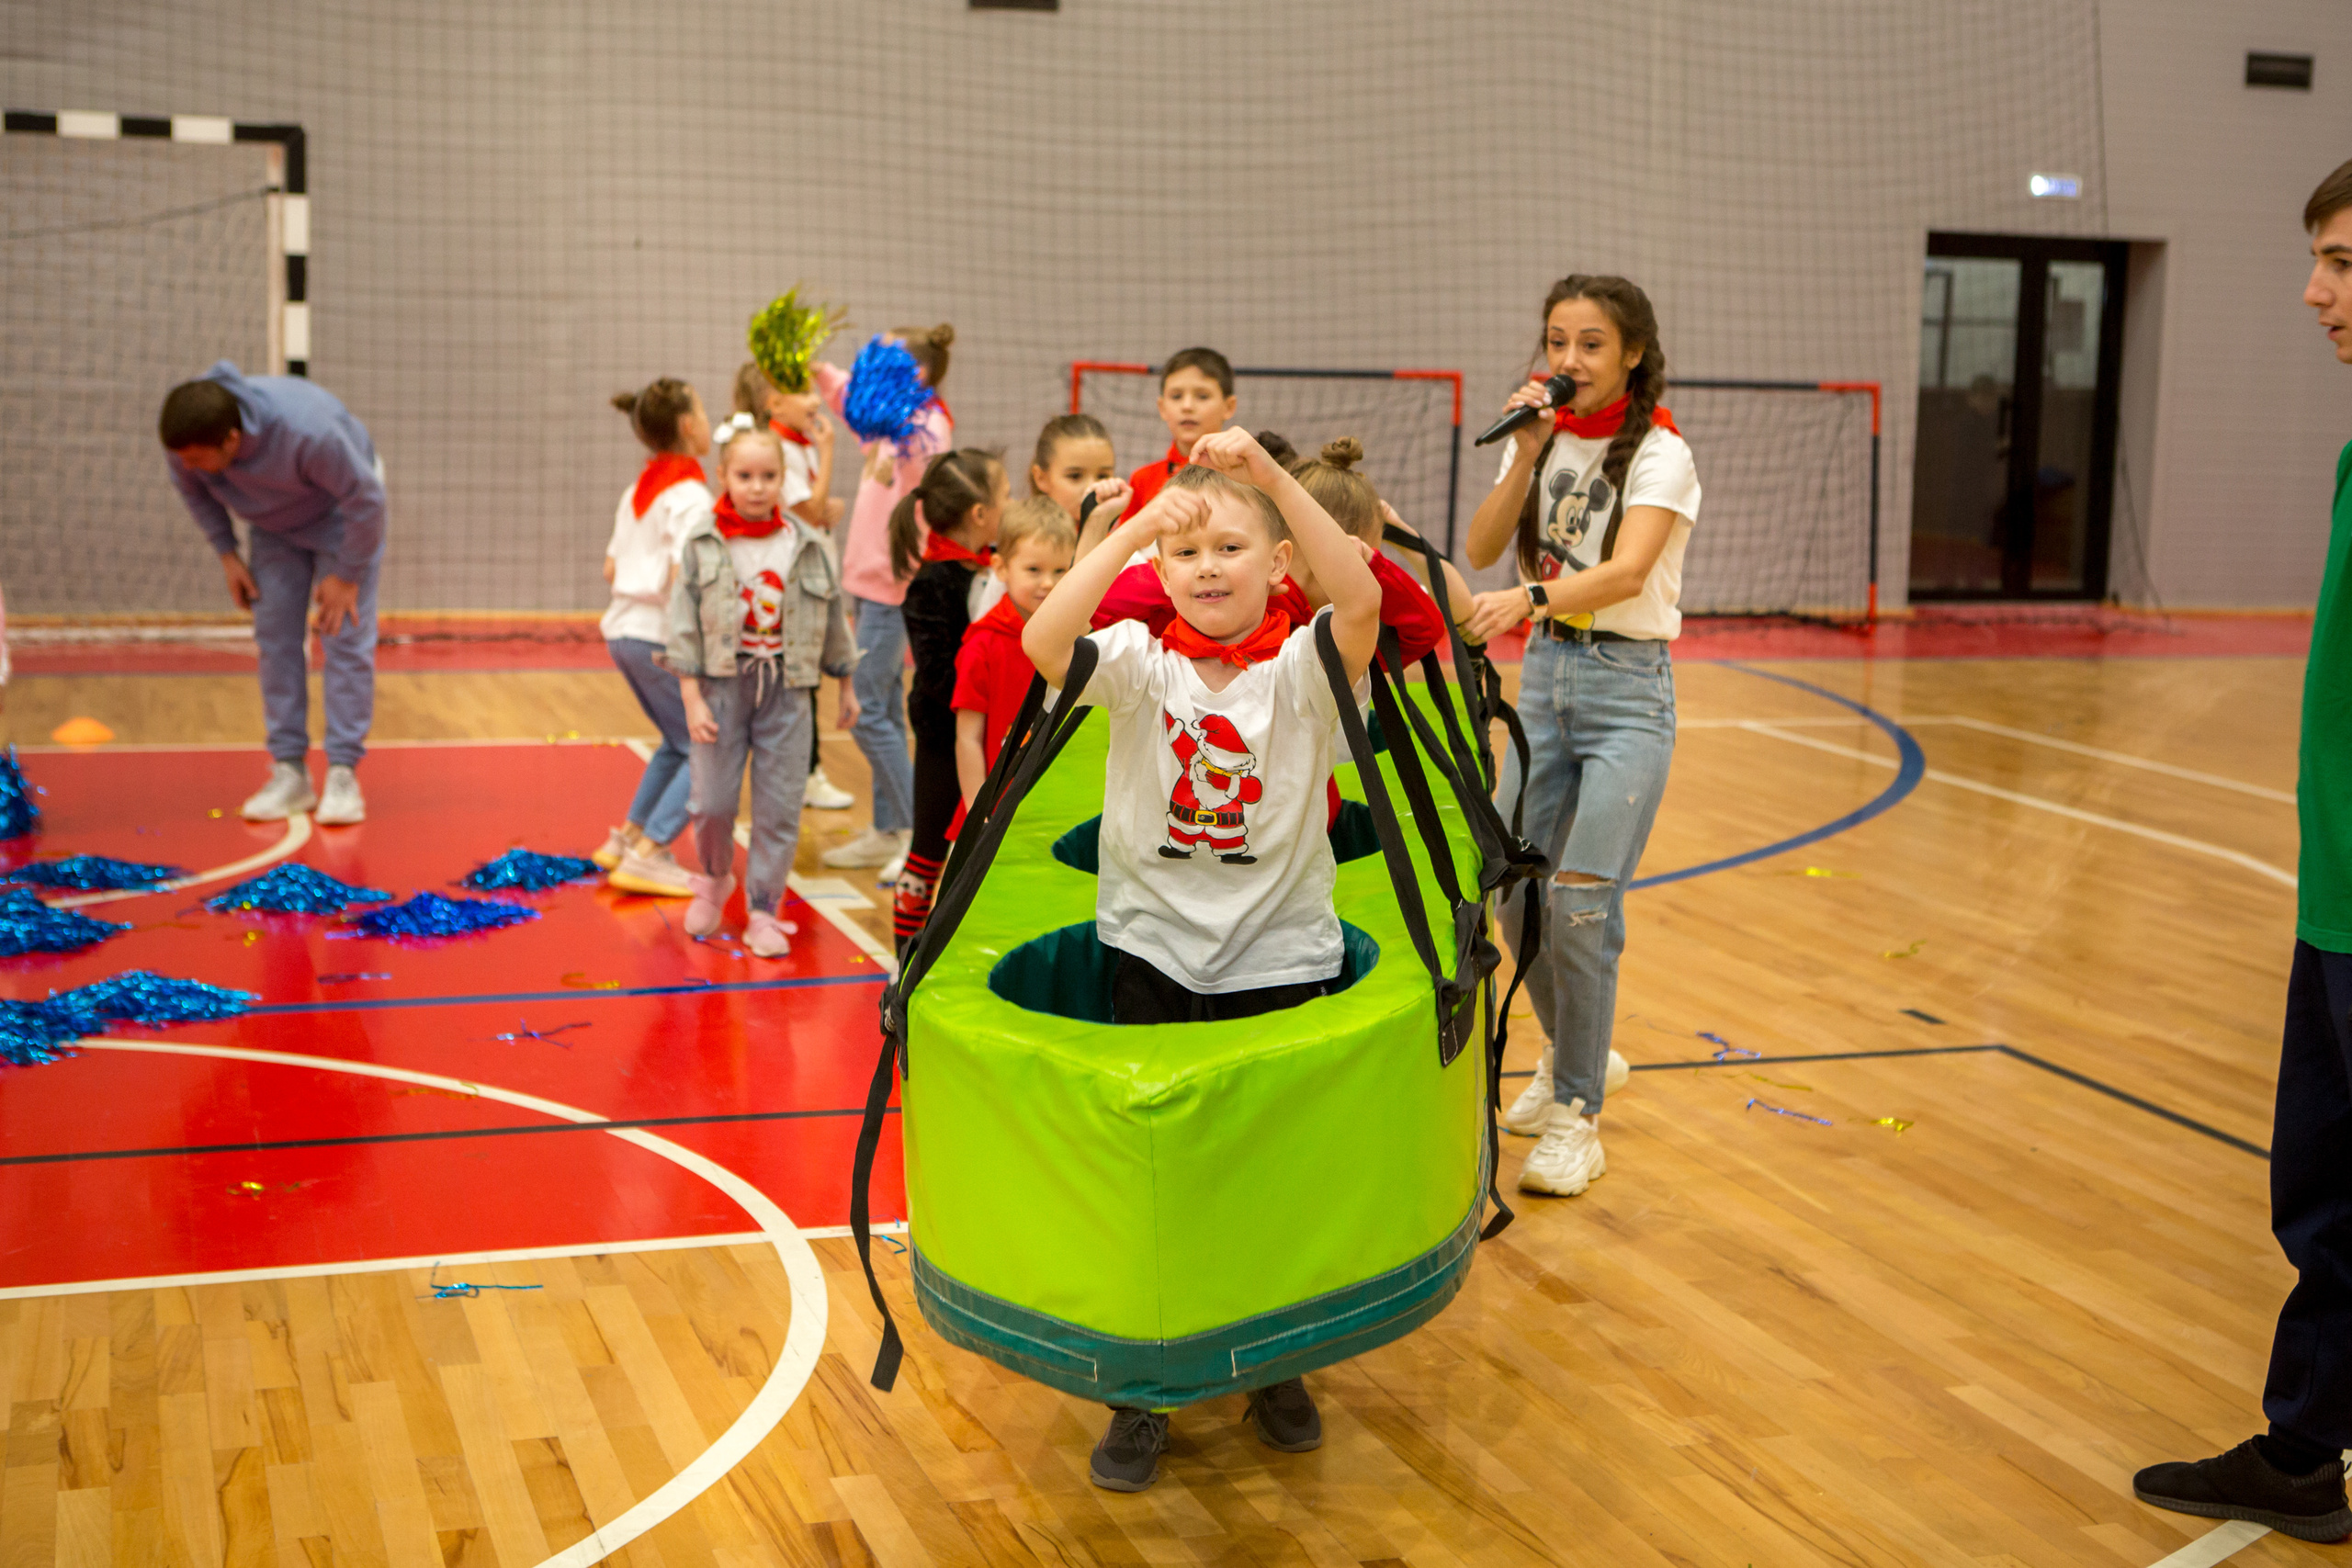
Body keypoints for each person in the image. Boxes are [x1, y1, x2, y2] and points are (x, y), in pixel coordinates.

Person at [1022, 427, 1380, 1493]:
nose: (1208, 567)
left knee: (1270, 1176)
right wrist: (1133, 525)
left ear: (1277, 566)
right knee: (1158, 1179)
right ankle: (1145, 1389)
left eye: (1233, 548)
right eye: (1188, 553)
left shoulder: (1307, 667)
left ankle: (1275, 1364)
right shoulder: (1136, 664)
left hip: (1280, 959)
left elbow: (1357, 598)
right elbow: (1047, 639)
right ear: (1159, 572)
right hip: (1154, 956)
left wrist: (1268, 481)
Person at [2130, 160, 2352, 1544]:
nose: (2318, 291)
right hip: (2332, 900)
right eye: (2320, 260)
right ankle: (2303, 1451)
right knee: (2323, 1194)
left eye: (2345, 261)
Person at [1459, 275, 1701, 1200]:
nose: (1568, 361)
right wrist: (1521, 456)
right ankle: (1579, 1058)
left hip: (1626, 691)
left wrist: (1526, 600)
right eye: (1556, 341)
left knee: (1583, 905)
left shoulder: (1662, 455)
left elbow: (1628, 571)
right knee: (1515, 893)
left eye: (1591, 344)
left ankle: (1576, 1117)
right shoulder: (1547, 434)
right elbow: (1483, 545)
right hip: (1548, 678)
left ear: (1631, 354)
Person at [159, 361, 387, 825]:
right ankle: (290, 772)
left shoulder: (309, 433)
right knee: (276, 640)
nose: (188, 467)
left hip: (342, 519)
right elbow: (195, 492)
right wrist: (227, 554)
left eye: (199, 459)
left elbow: (367, 500)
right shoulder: (188, 443)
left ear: (232, 441)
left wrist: (346, 575)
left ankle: (343, 773)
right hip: (274, 529)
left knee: (343, 638)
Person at [665, 419, 854, 958]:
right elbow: (682, 624)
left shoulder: (805, 543)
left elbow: (833, 616)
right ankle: (715, 875)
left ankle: (765, 908)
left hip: (789, 690)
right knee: (713, 803)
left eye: (768, 475)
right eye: (744, 475)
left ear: (781, 479)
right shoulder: (703, 542)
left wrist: (845, 684)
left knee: (779, 808)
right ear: (723, 475)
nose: (756, 486)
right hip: (723, 687)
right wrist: (691, 695)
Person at [816, 324, 956, 881]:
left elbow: (915, 447)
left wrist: (890, 444)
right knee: (883, 709)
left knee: (869, 707)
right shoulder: (886, 416)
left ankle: (911, 832)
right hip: (867, 578)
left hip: (891, 584)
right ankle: (886, 827)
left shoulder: (927, 425)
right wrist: (810, 366)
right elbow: (848, 391)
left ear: (914, 375)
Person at [595, 378, 711, 897]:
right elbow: (680, 576)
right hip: (659, 637)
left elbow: (610, 567)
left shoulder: (637, 491)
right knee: (709, 747)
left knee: (676, 741)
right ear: (688, 424)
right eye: (704, 410)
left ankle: (629, 837)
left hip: (622, 633)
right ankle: (653, 851)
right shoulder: (689, 496)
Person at [888, 449, 1008, 948]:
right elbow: (937, 674)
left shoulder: (1000, 570)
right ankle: (905, 966)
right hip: (944, 739)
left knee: (986, 850)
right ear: (979, 514)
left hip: (998, 736)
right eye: (1004, 498)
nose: (1010, 505)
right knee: (927, 854)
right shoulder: (933, 582)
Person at [735, 360, 855, 813]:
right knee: (799, 679)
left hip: (815, 575)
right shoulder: (780, 451)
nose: (815, 401)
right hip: (791, 583)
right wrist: (828, 453)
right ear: (774, 403)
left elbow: (818, 508)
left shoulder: (796, 446)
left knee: (804, 680)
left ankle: (801, 771)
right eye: (804, 392)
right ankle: (806, 774)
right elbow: (812, 510)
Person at [952, 497, 1076, 814]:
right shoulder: (981, 646)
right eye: (1034, 569)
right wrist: (975, 811)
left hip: (1052, 808)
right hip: (993, 811)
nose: (1048, 583)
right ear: (1001, 568)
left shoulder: (1077, 637)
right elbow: (967, 738)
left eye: (1061, 570)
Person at [1116, 346, 1236, 522]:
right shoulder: (1142, 480)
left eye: (1202, 396)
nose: (1187, 406)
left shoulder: (1244, 475)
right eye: (1176, 396)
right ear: (1162, 407)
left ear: (1229, 406)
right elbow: (1124, 546)